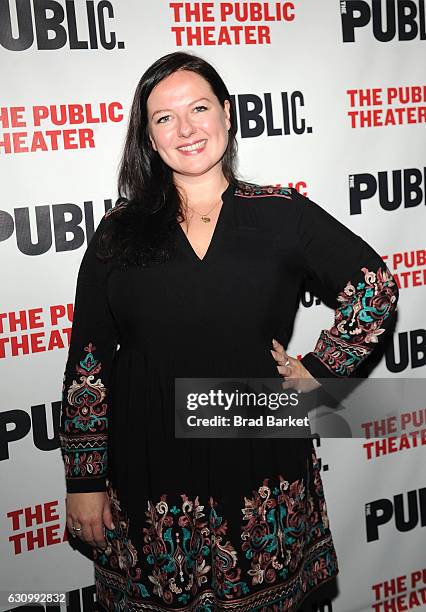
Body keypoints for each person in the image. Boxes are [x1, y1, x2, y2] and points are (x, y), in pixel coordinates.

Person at [59, 51, 399, 611]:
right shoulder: (118, 232)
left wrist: (318, 371)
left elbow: (374, 289)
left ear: (227, 115)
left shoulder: (282, 214)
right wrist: (85, 480)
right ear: (148, 137)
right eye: (164, 118)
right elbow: (88, 363)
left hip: (258, 460)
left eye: (199, 108)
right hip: (147, 463)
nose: (186, 128)